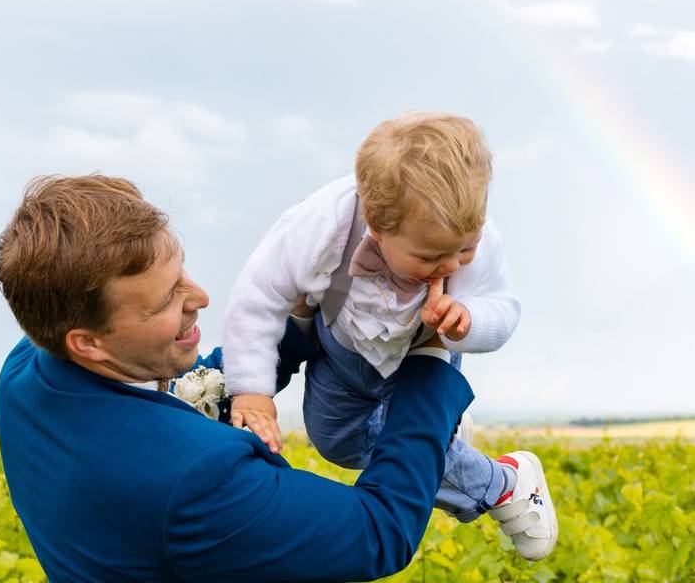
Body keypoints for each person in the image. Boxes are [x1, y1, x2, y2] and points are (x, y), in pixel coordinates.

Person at [0, 174, 480, 582]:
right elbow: (378, 533)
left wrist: (305, 321)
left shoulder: (24, 372)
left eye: (181, 272)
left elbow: (168, 407)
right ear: (88, 342)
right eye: (165, 300)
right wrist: (430, 361)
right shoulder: (199, 479)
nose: (200, 296)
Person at [222, 112, 557, 560]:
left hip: (425, 351)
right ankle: (447, 447)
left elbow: (504, 309)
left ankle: (504, 486)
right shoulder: (323, 223)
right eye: (431, 256)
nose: (453, 266)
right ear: (378, 228)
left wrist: (469, 319)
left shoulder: (473, 236)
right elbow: (258, 296)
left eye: (466, 249)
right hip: (344, 350)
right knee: (337, 444)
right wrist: (250, 392)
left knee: (407, 449)